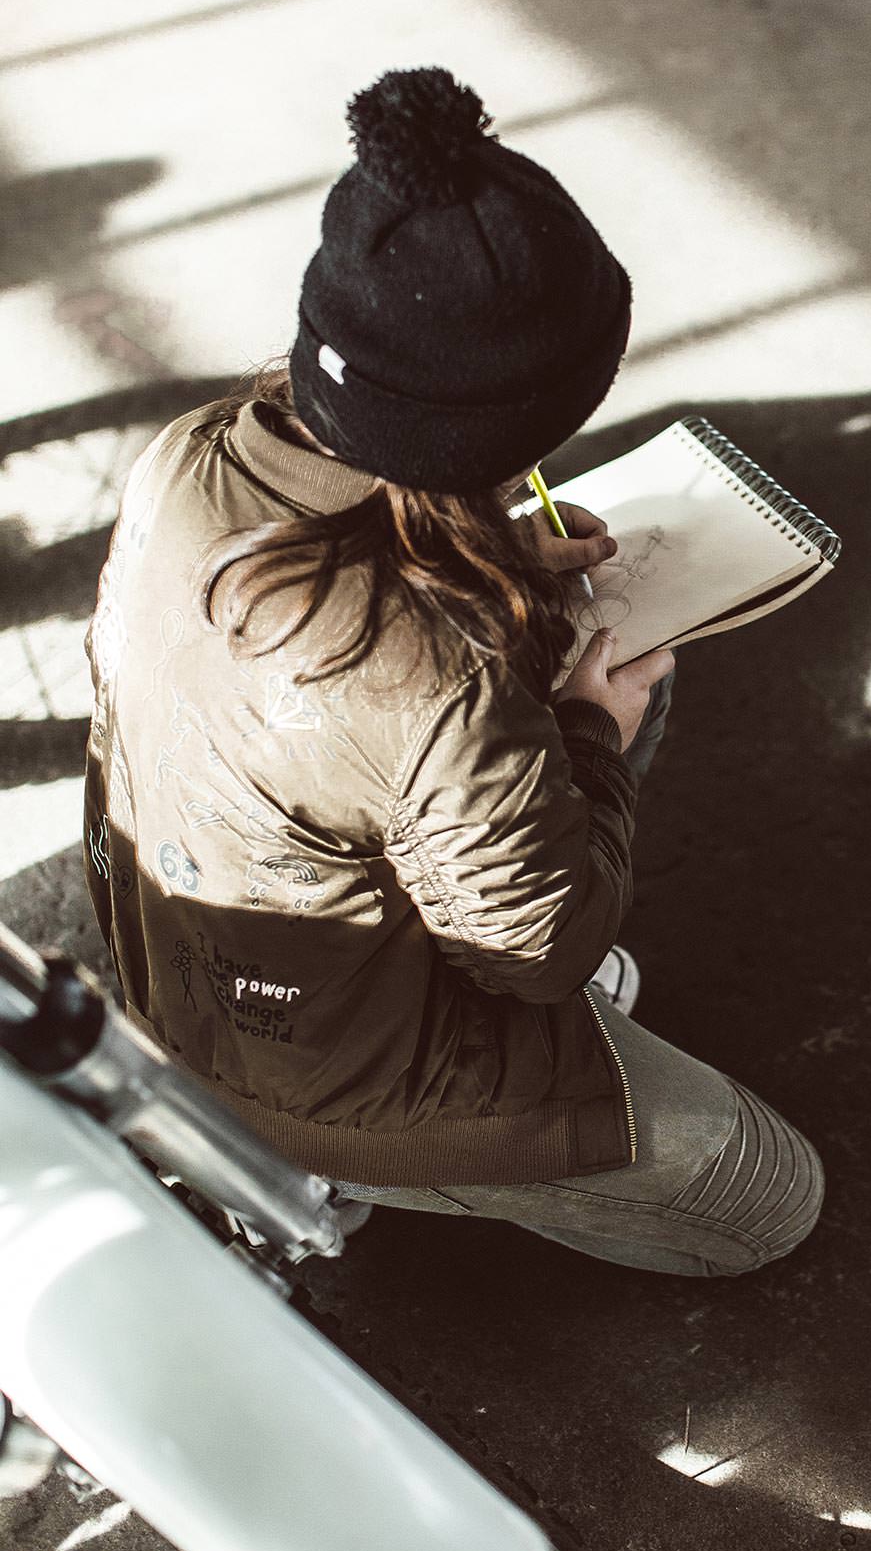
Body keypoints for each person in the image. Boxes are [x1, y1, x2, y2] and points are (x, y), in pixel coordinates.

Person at [83, 67, 822, 1276]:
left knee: (580, 637)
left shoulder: (193, 451)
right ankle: (301, 1168)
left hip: (177, 937)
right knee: (768, 1198)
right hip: (310, 1070)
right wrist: (586, 734)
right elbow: (536, 948)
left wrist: (500, 566)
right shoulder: (432, 681)